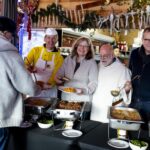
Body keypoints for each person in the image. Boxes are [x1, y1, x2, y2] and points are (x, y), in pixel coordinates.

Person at [0, 16, 41, 150]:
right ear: (5, 33)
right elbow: (28, 87)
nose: (11, 38)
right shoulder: (9, 53)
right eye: (12, 35)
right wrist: (38, 88)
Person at [55, 37, 98, 118]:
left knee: (79, 125)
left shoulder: (92, 63)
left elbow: (94, 82)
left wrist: (84, 91)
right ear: (76, 46)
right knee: (65, 122)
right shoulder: (69, 59)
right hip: (66, 98)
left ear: (89, 49)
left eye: (85, 46)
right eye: (80, 45)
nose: (82, 48)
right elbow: (60, 73)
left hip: (82, 100)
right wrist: (58, 78)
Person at [90, 44, 132, 123]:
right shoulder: (97, 66)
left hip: (111, 110)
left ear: (112, 55)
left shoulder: (123, 70)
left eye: (105, 56)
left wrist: (126, 91)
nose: (102, 59)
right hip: (96, 109)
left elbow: (126, 96)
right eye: (101, 56)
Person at [24, 28, 64, 98]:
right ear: (44, 39)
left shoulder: (59, 57)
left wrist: (46, 85)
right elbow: (25, 64)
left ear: (57, 40)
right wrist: (29, 68)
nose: (51, 41)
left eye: (54, 38)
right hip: (34, 86)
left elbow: (56, 74)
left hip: (50, 89)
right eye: (48, 37)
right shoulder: (35, 50)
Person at [129, 27, 150, 129]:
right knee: (130, 128)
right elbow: (129, 72)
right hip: (133, 100)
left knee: (146, 132)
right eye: (146, 39)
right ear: (142, 40)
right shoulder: (134, 54)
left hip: (148, 103)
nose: (148, 42)